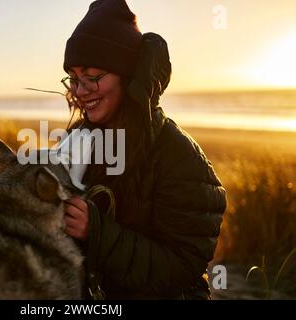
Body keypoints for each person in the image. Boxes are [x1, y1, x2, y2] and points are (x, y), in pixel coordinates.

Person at [60, 0, 227, 299]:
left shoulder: (178, 157)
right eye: (73, 79)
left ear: (127, 76)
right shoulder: (74, 141)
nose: (80, 91)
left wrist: (97, 233)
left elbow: (181, 269)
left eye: (93, 77)